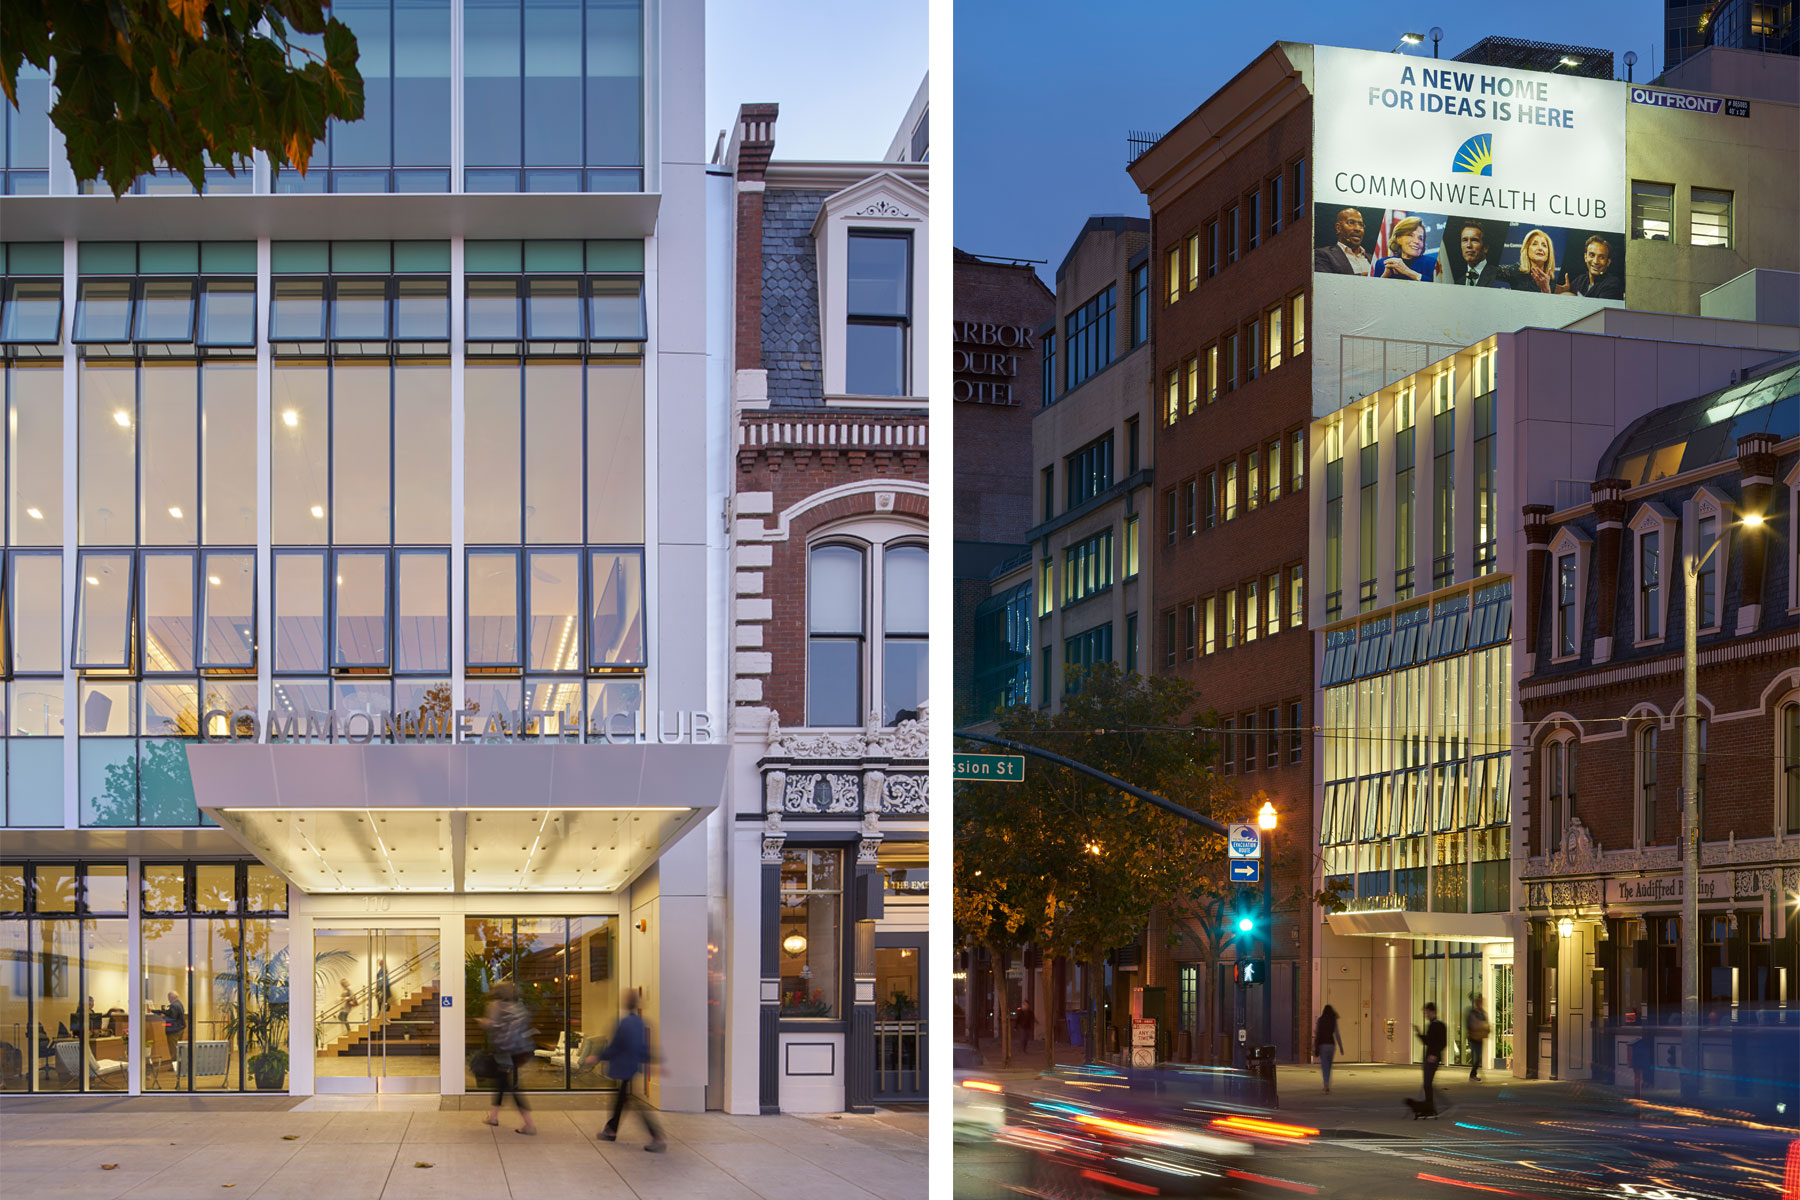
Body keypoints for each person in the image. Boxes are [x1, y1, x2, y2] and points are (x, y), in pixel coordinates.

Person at [586, 990, 665, 1152]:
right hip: (632, 1066)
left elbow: (616, 1046)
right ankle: (611, 1130)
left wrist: (598, 1056)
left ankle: (657, 1136)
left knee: (630, 1101)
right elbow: (642, 1047)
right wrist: (650, 1061)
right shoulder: (640, 1023)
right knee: (622, 1099)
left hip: (623, 1067)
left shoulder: (624, 1023)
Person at [478, 981, 538, 1135]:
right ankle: (493, 1117)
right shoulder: (519, 1007)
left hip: (503, 1051)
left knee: (510, 1086)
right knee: (501, 1082)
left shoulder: (495, 1006)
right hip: (519, 1052)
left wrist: (483, 1022)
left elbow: (492, 1025)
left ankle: (529, 1124)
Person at [1369, 215, 1437, 282]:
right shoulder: (1382, 264)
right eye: (1410, 235)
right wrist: (1385, 276)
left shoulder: (1432, 264)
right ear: (1398, 239)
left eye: (1420, 238)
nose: (1417, 241)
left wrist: (1408, 272)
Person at [1557, 235, 1624, 299]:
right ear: (1585, 257)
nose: (1595, 261)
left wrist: (1567, 295)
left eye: (1602, 257)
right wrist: (1565, 291)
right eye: (1592, 255)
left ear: (1608, 262)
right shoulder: (1579, 281)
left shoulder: (1613, 285)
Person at [1495, 229, 1558, 293]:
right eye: (1534, 244)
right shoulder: (1516, 271)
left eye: (1544, 245)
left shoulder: (1555, 283)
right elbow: (1490, 269)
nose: (1540, 248)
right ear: (1527, 250)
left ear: (1549, 253)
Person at [1412, 1001, 1447, 1116]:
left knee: (1427, 1084)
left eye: (1426, 1012)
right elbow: (1427, 1041)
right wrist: (1418, 1033)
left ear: (1432, 1012)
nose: (1425, 1015)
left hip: (1432, 1058)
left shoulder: (1438, 1025)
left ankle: (1430, 1107)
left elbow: (1441, 1043)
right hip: (1430, 1058)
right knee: (1427, 1084)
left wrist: (1435, 1055)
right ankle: (1429, 1106)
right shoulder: (1432, 1025)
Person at [1314, 207, 1373, 276]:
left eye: (1361, 224)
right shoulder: (1322, 254)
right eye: (1351, 222)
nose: (1357, 228)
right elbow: (1326, 282)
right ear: (1338, 228)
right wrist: (1371, 276)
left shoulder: (1373, 259)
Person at [1440, 220, 1500, 287]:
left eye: (1474, 240)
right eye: (1465, 240)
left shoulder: (1499, 276)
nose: (1468, 245)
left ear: (1485, 248)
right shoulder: (1458, 283)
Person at [1314, 1004, 1345, 1093]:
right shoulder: (1333, 1020)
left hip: (1323, 1045)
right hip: (1331, 1045)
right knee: (1329, 1065)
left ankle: (1326, 1084)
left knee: (1324, 1066)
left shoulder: (1320, 1020)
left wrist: (1315, 1046)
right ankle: (1327, 1083)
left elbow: (1317, 1034)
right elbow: (1337, 1034)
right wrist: (1341, 1047)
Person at [1465, 994, 1490, 1082]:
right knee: (1476, 1058)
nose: (1481, 1004)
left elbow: (1486, 1024)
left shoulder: (1483, 1013)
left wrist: (1486, 1030)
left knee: (1478, 1058)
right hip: (1473, 1038)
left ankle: (1473, 1074)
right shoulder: (1473, 1013)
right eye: (1480, 1003)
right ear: (1477, 1003)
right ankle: (1472, 1075)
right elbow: (1469, 1024)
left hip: (1480, 1038)